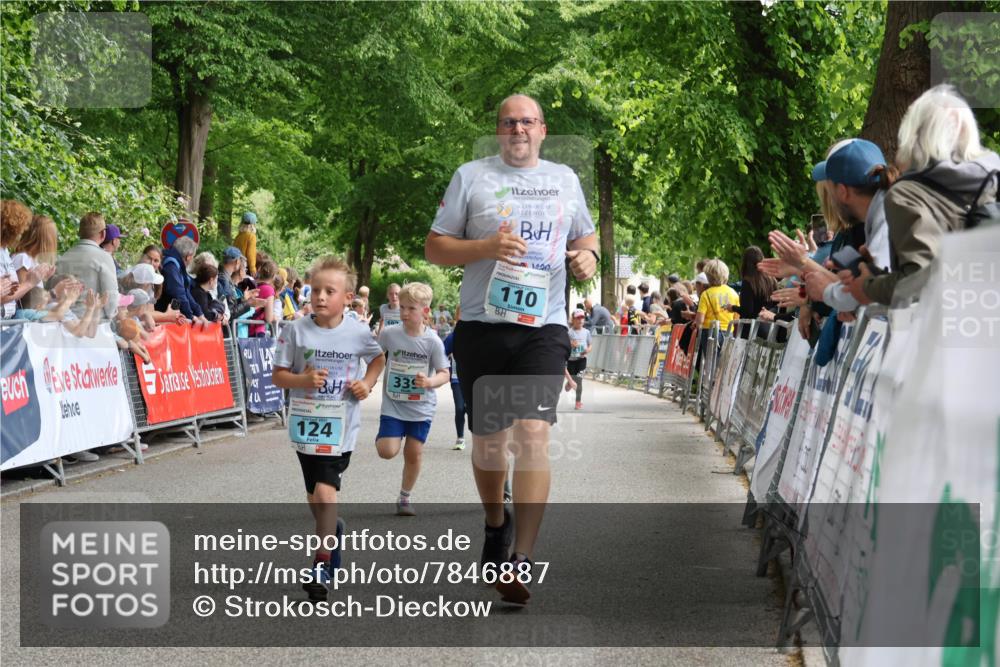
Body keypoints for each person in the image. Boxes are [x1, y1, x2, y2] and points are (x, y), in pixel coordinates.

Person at [425, 93, 598, 605]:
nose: (518, 129)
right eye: (508, 122)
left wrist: (586, 260)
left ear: (543, 129)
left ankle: (520, 558)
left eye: (527, 121)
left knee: (532, 433)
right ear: (498, 131)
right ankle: (495, 523)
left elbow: (586, 241)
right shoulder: (471, 176)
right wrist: (484, 247)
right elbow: (435, 246)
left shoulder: (565, 179)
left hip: (544, 328)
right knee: (490, 444)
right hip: (482, 324)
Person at [271, 255, 386, 603]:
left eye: (329, 291)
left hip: (341, 427)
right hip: (307, 425)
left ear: (347, 298)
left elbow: (378, 358)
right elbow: (278, 375)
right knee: (315, 496)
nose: (320, 297)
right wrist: (303, 379)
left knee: (324, 492)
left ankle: (321, 564)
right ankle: (333, 531)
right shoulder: (295, 329)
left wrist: (367, 382)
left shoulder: (357, 331)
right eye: (316, 290)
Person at [842, 84, 1000, 305]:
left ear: (912, 133)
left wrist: (868, 287)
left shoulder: (906, 194)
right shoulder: (992, 182)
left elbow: (920, 285)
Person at [375, 282, 449, 517]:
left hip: (420, 407)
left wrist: (429, 382)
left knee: (413, 453)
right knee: (387, 451)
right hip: (394, 404)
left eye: (411, 309)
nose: (404, 313)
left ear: (425, 312)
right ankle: (386, 436)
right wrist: (367, 381)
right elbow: (375, 357)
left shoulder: (432, 341)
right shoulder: (389, 334)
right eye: (402, 308)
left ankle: (404, 497)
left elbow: (444, 373)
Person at [56, 211, 119, 319]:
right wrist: (112, 316)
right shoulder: (104, 257)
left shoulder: (64, 256)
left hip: (64, 321)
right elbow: (110, 296)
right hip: (93, 323)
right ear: (103, 234)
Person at [154, 235, 207, 325]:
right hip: (163, 317)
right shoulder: (171, 266)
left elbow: (185, 291)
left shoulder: (175, 264)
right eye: (193, 256)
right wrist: (191, 316)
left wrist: (199, 314)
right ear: (188, 257)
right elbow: (178, 293)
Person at [732, 246, 777, 337]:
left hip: (751, 331)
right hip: (769, 328)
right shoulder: (771, 279)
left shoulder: (748, 282)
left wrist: (733, 308)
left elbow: (747, 311)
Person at [441, 306, 466, 450]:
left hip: (475, 379)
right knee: (459, 408)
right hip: (457, 378)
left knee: (475, 409)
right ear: (457, 317)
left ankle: (480, 437)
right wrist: (447, 370)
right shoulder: (453, 336)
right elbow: (442, 353)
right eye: (461, 314)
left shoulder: (479, 334)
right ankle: (460, 438)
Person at [11, 214, 58, 284]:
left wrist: (44, 278)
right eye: (52, 237)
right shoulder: (23, 259)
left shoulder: (31, 260)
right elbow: (22, 292)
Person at [566, 308, 592, 410]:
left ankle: (578, 402)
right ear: (573, 319)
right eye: (578, 318)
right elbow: (564, 345)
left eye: (582, 318)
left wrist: (587, 351)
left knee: (579, 380)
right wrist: (570, 344)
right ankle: (570, 381)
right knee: (574, 379)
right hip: (571, 361)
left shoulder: (586, 332)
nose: (580, 320)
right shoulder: (569, 332)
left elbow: (590, 345)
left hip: (582, 360)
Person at [250, 260, 279, 336]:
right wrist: (275, 317)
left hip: (244, 328)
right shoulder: (269, 289)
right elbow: (268, 318)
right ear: (273, 276)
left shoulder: (252, 284)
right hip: (257, 330)